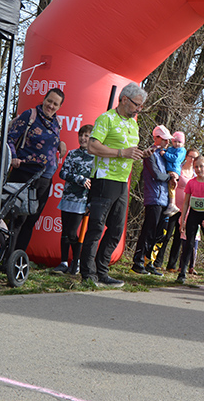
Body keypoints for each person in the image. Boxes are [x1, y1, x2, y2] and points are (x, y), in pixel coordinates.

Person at [79, 83, 154, 288]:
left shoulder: (133, 123)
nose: (139, 109)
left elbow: (129, 151)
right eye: (137, 105)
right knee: (95, 228)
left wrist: (141, 154)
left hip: (122, 181)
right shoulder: (106, 118)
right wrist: (122, 153)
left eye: (141, 106)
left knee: (116, 230)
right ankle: (88, 273)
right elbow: (93, 146)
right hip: (104, 179)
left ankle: (102, 271)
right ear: (124, 100)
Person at [7, 88, 67, 252]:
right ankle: (6, 257)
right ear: (44, 99)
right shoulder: (30, 115)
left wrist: (60, 143)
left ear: (59, 107)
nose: (51, 106)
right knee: (17, 218)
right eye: (49, 101)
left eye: (55, 104)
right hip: (24, 173)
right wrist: (13, 157)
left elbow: (51, 142)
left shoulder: (56, 123)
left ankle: (18, 259)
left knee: (31, 220)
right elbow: (10, 137)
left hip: (45, 178)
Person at [131, 125, 174, 277]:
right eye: (164, 139)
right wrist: (170, 177)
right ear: (156, 138)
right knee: (148, 231)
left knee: (159, 233)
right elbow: (156, 175)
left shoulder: (165, 155)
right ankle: (138, 261)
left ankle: (150, 262)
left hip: (165, 200)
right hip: (153, 198)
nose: (167, 143)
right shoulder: (150, 154)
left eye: (168, 140)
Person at [54, 124, 94, 275]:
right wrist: (79, 178)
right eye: (81, 135)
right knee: (64, 232)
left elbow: (95, 182)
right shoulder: (72, 154)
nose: (83, 138)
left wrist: (90, 203)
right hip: (68, 198)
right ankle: (63, 262)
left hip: (82, 201)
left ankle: (76, 262)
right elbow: (63, 173)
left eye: (87, 136)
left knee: (72, 232)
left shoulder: (96, 158)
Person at [154, 149, 198, 271]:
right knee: (166, 235)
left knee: (179, 237)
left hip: (186, 209)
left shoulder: (195, 174)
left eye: (195, 158)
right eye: (191, 157)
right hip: (173, 207)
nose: (192, 160)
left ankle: (171, 265)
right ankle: (157, 261)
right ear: (186, 156)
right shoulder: (178, 167)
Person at [177, 156, 204, 284]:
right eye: (196, 167)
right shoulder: (191, 182)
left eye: (201, 166)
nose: (199, 169)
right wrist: (183, 220)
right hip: (193, 215)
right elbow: (185, 203)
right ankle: (182, 273)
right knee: (188, 244)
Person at [161, 131, 186, 216]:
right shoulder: (171, 149)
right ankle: (170, 202)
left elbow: (175, 158)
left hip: (174, 169)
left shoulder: (181, 150)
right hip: (168, 169)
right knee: (168, 186)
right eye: (175, 141)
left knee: (171, 186)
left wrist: (164, 154)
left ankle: (172, 204)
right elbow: (166, 151)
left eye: (179, 142)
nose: (177, 144)